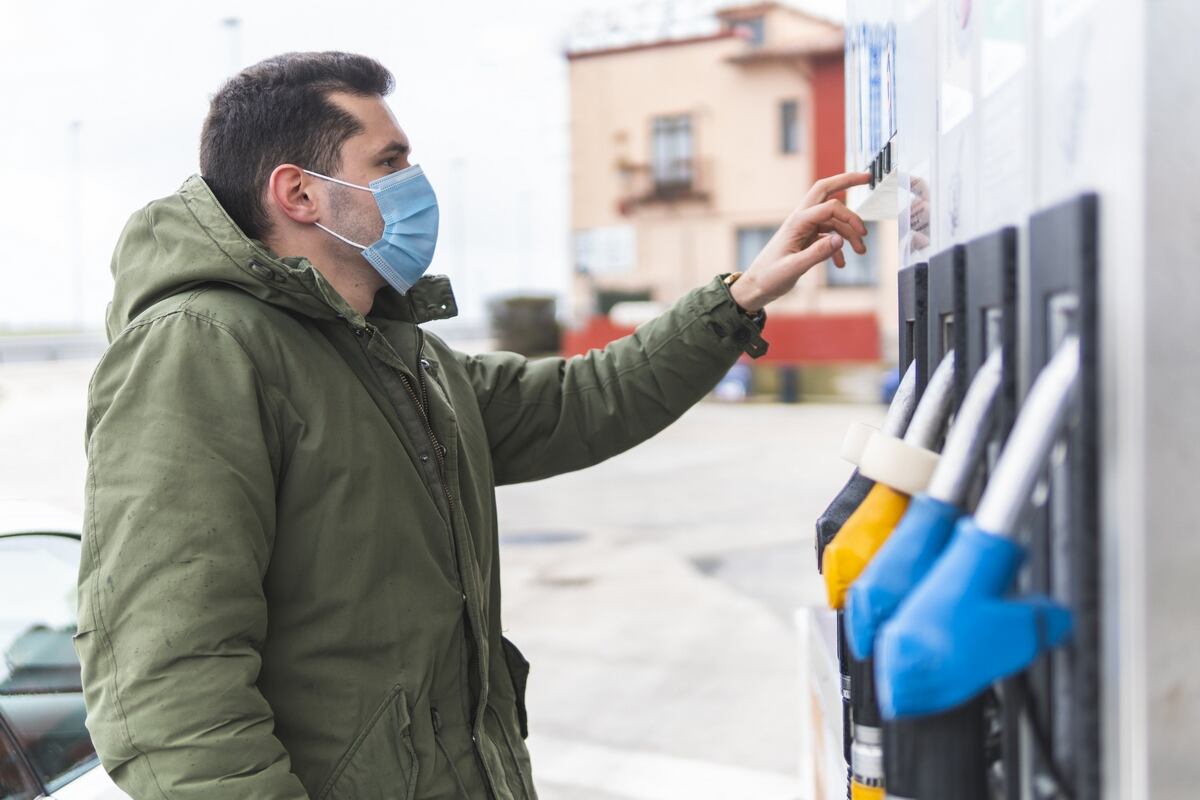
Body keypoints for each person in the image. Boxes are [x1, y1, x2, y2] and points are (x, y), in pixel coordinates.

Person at [76, 51, 869, 800]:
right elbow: (168, 677)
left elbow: (583, 399)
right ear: (300, 193)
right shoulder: (201, 348)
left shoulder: (402, 356)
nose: (415, 183)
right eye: (389, 163)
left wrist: (740, 296)